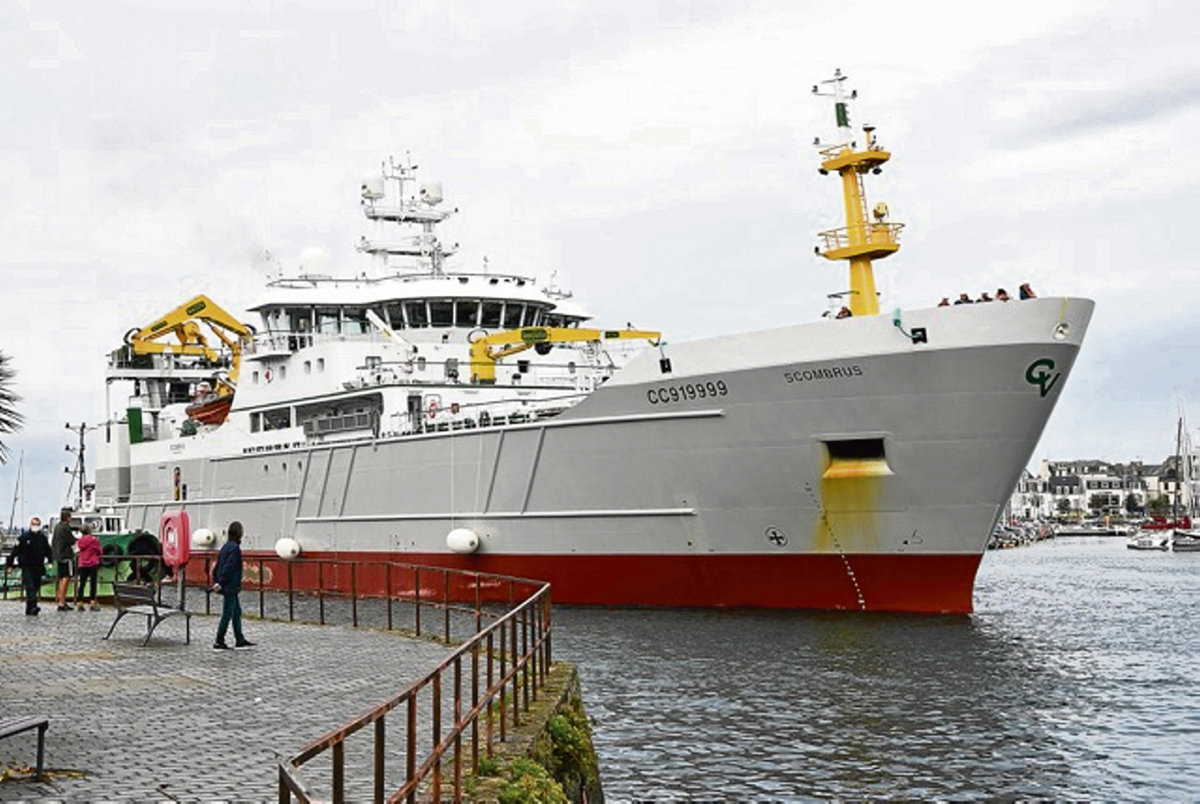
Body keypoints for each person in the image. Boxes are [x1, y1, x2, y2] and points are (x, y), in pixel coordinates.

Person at [212, 521, 254, 650]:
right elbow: (229, 567)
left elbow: (218, 565)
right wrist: (221, 582)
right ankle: (219, 640)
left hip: (227, 584)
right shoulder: (235, 548)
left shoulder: (226, 547)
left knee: (236, 612)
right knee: (228, 612)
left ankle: (239, 639)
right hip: (230, 585)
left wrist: (216, 580)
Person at [7, 517, 52, 615]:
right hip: (26, 565)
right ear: (30, 525)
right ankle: (33, 606)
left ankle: (29, 607)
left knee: (36, 586)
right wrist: (10, 564)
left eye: (37, 524)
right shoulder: (24, 537)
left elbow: (48, 550)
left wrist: (50, 561)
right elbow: (15, 551)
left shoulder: (42, 538)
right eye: (34, 524)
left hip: (38, 566)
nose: (35, 526)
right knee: (30, 586)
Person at [51, 507, 77, 612]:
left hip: (58, 556)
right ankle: (62, 601)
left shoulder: (57, 527)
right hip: (66, 556)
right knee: (66, 578)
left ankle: (61, 600)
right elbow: (71, 541)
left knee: (61, 578)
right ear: (68, 518)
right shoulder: (66, 528)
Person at [74, 524, 102, 611]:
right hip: (93, 563)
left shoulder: (79, 541)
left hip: (82, 563)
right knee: (93, 584)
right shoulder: (94, 540)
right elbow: (99, 551)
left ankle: (79, 602)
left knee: (82, 583)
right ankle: (92, 602)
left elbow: (77, 550)